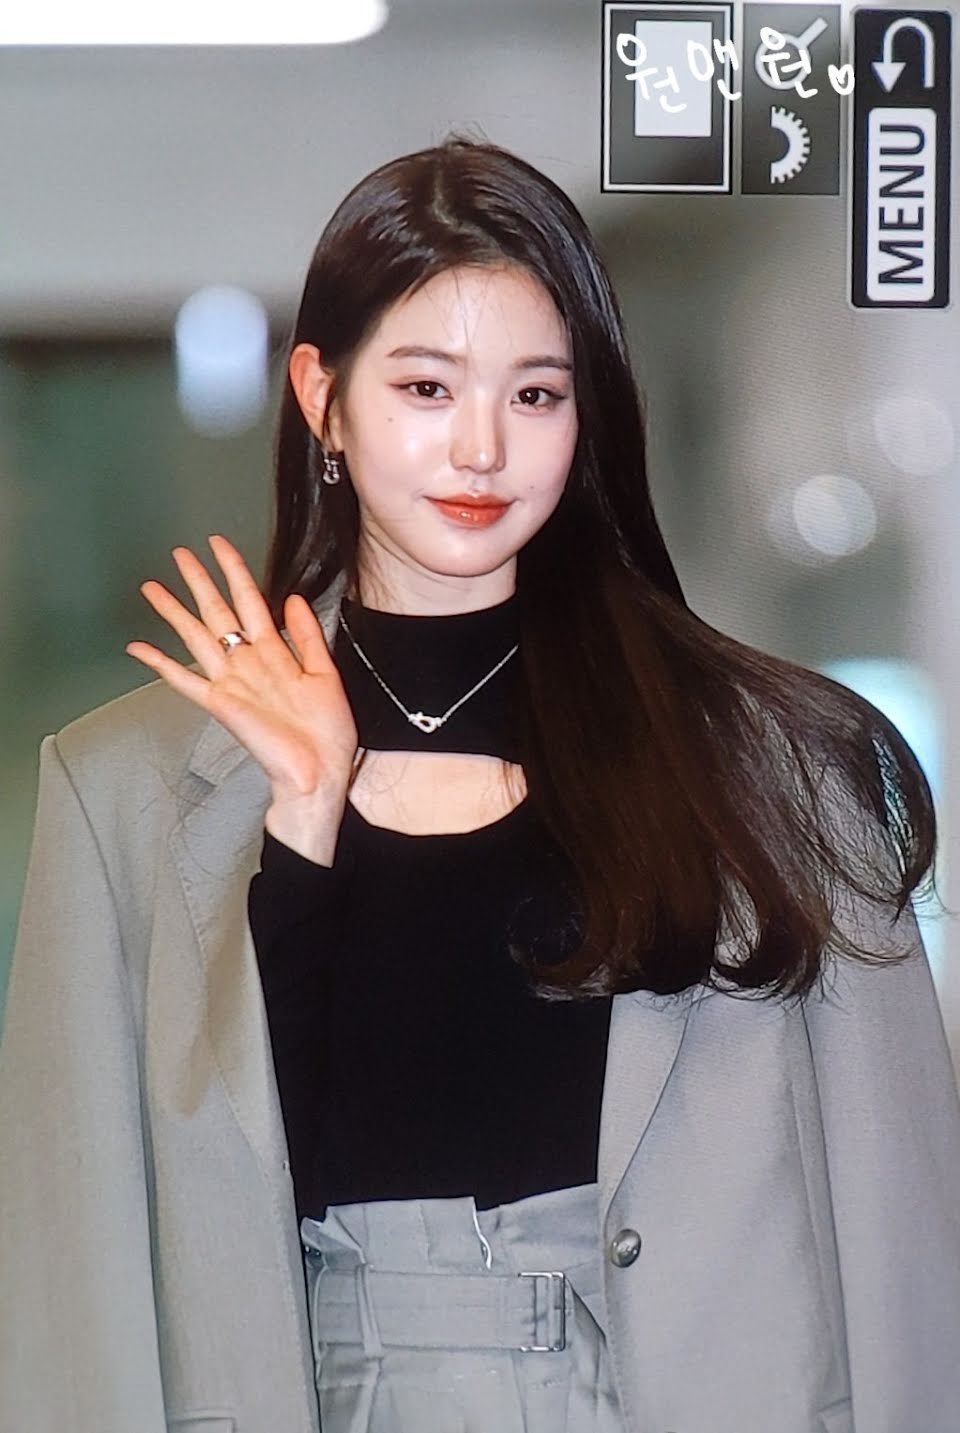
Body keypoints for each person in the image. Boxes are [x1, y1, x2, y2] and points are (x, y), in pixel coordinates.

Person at [1, 134, 959, 1433]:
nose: (481, 448)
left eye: (536, 395)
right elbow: (80, 1280)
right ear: (323, 399)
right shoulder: (121, 789)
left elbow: (907, 1258)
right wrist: (304, 826)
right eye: (425, 386)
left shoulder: (778, 769)